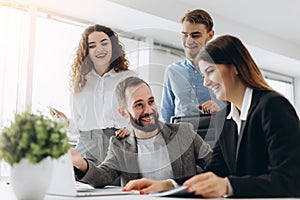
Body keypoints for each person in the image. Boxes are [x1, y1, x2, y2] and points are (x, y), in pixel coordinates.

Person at [123, 35, 300, 197]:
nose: (206, 82)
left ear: (235, 67)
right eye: (203, 75)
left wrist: (227, 186)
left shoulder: (273, 106)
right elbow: (216, 171)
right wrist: (169, 185)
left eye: (210, 71)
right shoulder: (224, 117)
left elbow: (290, 181)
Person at [71, 76, 212, 189]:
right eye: (139, 105)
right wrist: (81, 164)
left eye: (151, 102)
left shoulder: (184, 132)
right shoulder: (120, 144)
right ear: (123, 112)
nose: (148, 110)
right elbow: (103, 176)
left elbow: (215, 165)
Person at [53, 24, 136, 166]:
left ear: (113, 46)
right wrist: (66, 122)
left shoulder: (128, 78)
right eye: (92, 45)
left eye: (104, 43)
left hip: (119, 144)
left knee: (119, 186)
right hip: (87, 147)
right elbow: (79, 127)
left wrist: (129, 129)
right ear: (86, 51)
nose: (99, 49)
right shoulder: (80, 82)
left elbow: (142, 115)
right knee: (81, 185)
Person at [161, 9, 221, 122]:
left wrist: (219, 110)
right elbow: (167, 114)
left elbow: (236, 110)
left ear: (210, 35)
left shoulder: (222, 69)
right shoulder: (172, 71)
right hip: (181, 137)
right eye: (185, 35)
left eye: (195, 35)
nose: (188, 41)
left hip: (215, 135)